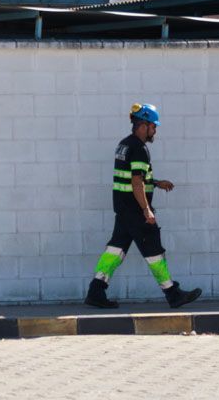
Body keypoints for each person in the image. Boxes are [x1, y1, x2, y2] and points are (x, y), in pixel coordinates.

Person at [84, 102, 202, 310]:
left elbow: (132, 177)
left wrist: (156, 183)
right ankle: (173, 294)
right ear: (143, 125)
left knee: (115, 250)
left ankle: (96, 291)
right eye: (153, 126)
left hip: (123, 208)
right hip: (136, 211)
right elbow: (136, 182)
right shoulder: (139, 149)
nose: (155, 130)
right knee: (154, 251)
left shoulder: (124, 145)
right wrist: (146, 210)